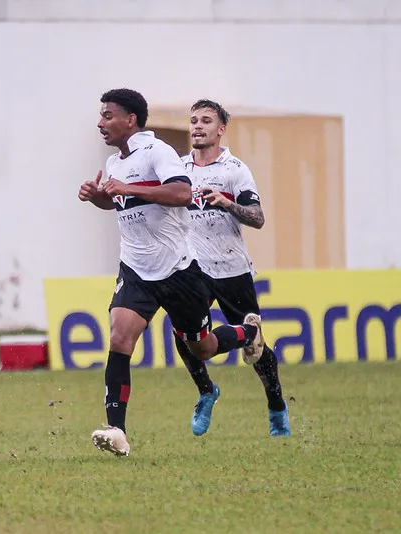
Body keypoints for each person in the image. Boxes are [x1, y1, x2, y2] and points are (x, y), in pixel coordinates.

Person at [78, 88, 267, 457]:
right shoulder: (115, 161)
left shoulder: (158, 152)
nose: (101, 123)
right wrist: (98, 195)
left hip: (179, 271)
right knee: (120, 338)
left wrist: (127, 187)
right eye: (101, 116)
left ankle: (248, 332)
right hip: (135, 268)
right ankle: (116, 429)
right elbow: (119, 201)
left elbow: (182, 193)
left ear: (130, 119)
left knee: (204, 347)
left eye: (108, 116)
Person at [174, 99, 290, 437]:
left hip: (230, 268)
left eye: (206, 120)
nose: (197, 126)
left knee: (257, 349)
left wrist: (227, 203)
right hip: (192, 269)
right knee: (184, 332)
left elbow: (258, 218)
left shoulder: (234, 169)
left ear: (221, 129)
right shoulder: (179, 169)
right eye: (193, 120)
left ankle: (276, 405)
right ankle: (206, 391)